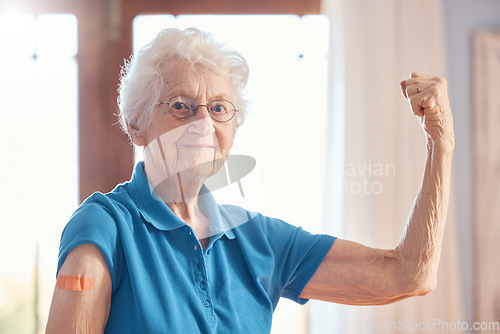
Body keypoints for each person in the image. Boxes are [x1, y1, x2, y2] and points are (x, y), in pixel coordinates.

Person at [46, 27, 455, 333]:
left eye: (220, 108)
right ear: (136, 125)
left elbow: (410, 274)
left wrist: (441, 145)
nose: (204, 123)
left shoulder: (258, 240)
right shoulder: (103, 226)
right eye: (181, 106)